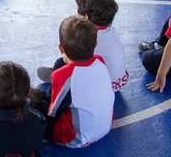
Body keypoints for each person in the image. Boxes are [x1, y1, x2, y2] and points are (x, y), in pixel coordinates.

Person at [32, 16, 114, 148]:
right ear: (96, 45)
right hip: (105, 126)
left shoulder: (64, 75)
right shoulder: (100, 60)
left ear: (61, 48)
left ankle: (52, 89)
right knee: (60, 63)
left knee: (31, 102)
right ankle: (55, 88)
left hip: (73, 138)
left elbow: (53, 112)